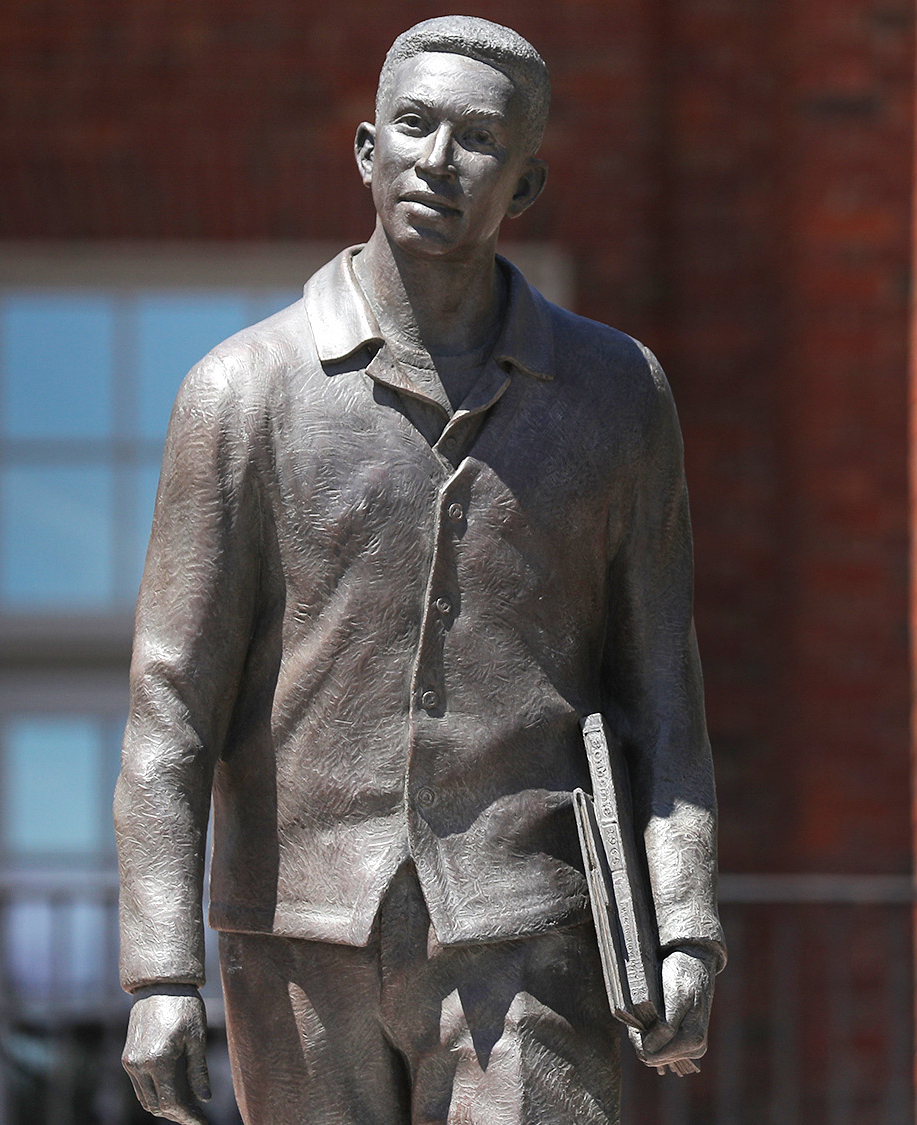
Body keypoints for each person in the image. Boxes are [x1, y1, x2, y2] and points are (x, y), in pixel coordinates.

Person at [113, 16, 722, 1125]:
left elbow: (661, 694)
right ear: (363, 150)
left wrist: (683, 921)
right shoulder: (242, 393)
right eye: (412, 125)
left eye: (478, 139)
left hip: (528, 929)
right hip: (296, 935)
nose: (438, 160)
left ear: (524, 184)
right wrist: (159, 972)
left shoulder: (614, 396)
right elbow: (170, 710)